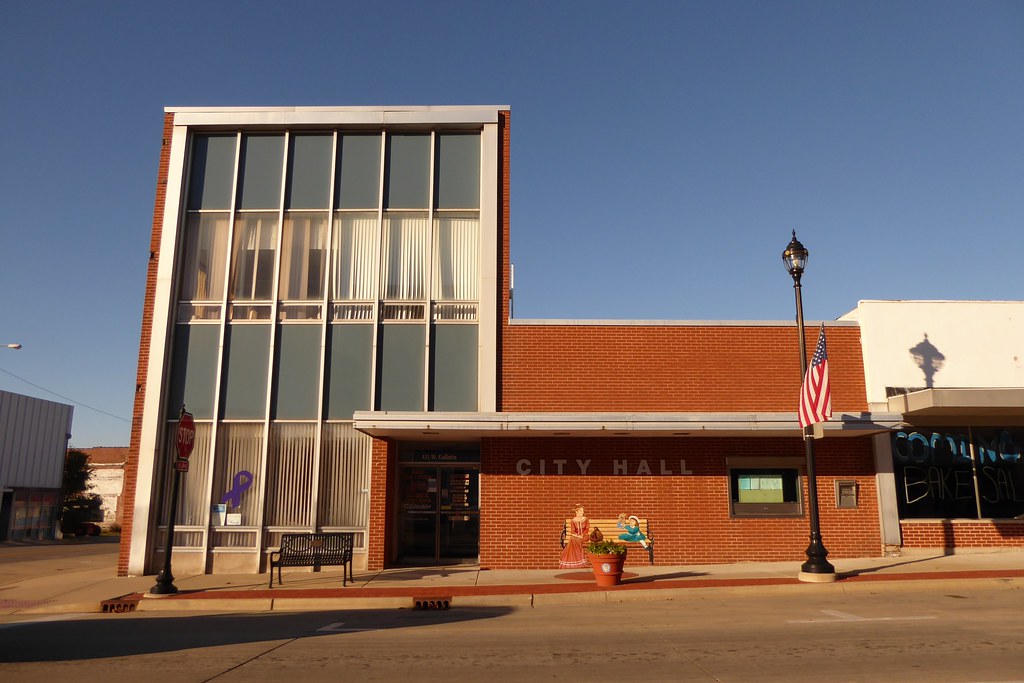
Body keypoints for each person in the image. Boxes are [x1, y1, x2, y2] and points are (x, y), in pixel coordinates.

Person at [559, 504, 590, 568]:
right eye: (581, 511)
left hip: (585, 536)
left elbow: (587, 529)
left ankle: (578, 560)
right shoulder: (573, 521)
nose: (582, 512)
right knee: (574, 539)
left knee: (573, 540)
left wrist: (582, 534)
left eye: (583, 511)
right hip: (576, 537)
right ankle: (579, 560)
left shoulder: (585, 519)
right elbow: (573, 531)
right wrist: (577, 535)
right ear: (576, 512)